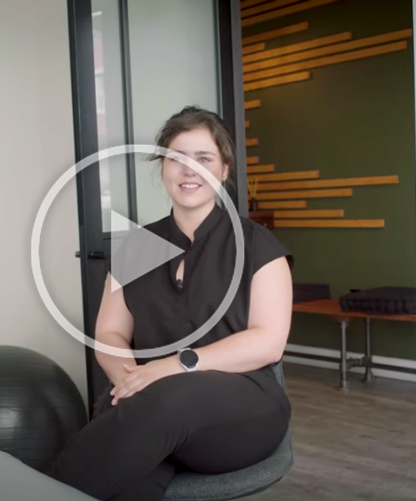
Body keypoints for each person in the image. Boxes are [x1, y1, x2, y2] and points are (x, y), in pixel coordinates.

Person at [46, 106, 294, 501]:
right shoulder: (137, 247)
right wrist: (130, 378)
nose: (188, 170)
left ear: (225, 170)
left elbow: (268, 342)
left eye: (204, 158)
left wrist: (168, 369)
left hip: (243, 410)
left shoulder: (257, 245)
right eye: (176, 158)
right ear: (162, 168)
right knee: (132, 472)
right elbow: (109, 332)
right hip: (151, 410)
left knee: (163, 400)